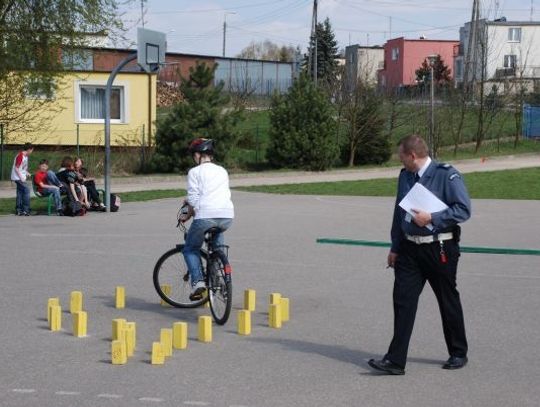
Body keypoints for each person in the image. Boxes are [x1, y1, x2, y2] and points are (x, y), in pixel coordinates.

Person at [368, 134, 471, 375]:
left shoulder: (446, 174)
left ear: (412, 156)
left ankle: (458, 352)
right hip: (409, 249)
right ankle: (395, 361)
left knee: (447, 301)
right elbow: (398, 212)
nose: (400, 161)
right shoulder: (405, 176)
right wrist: (395, 246)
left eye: (401, 156)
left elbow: (464, 209)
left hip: (439, 248)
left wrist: (433, 218)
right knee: (402, 302)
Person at [181, 138, 234, 301]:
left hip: (205, 216)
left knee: (190, 248)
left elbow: (194, 198)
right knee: (216, 247)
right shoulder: (222, 170)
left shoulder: (194, 172)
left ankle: (198, 282)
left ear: (198, 155)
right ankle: (220, 277)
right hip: (226, 216)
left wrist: (187, 214)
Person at [11, 142, 34, 216]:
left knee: (20, 193)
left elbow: (22, 168)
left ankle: (18, 210)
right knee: (27, 190)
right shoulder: (20, 156)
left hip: (21, 177)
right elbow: (16, 168)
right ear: (29, 149)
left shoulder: (25, 157)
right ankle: (26, 210)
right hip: (18, 177)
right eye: (32, 150)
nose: (32, 152)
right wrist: (21, 178)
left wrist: (27, 173)